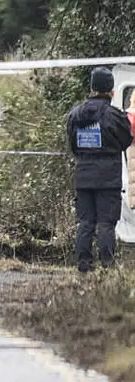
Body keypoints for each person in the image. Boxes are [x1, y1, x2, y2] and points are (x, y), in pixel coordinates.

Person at [66, 66, 133, 273]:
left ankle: (84, 265)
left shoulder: (75, 115)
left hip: (84, 176)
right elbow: (125, 141)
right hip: (108, 179)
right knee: (106, 223)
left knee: (85, 222)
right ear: (112, 91)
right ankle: (107, 265)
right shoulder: (114, 116)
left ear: (92, 88)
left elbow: (72, 145)